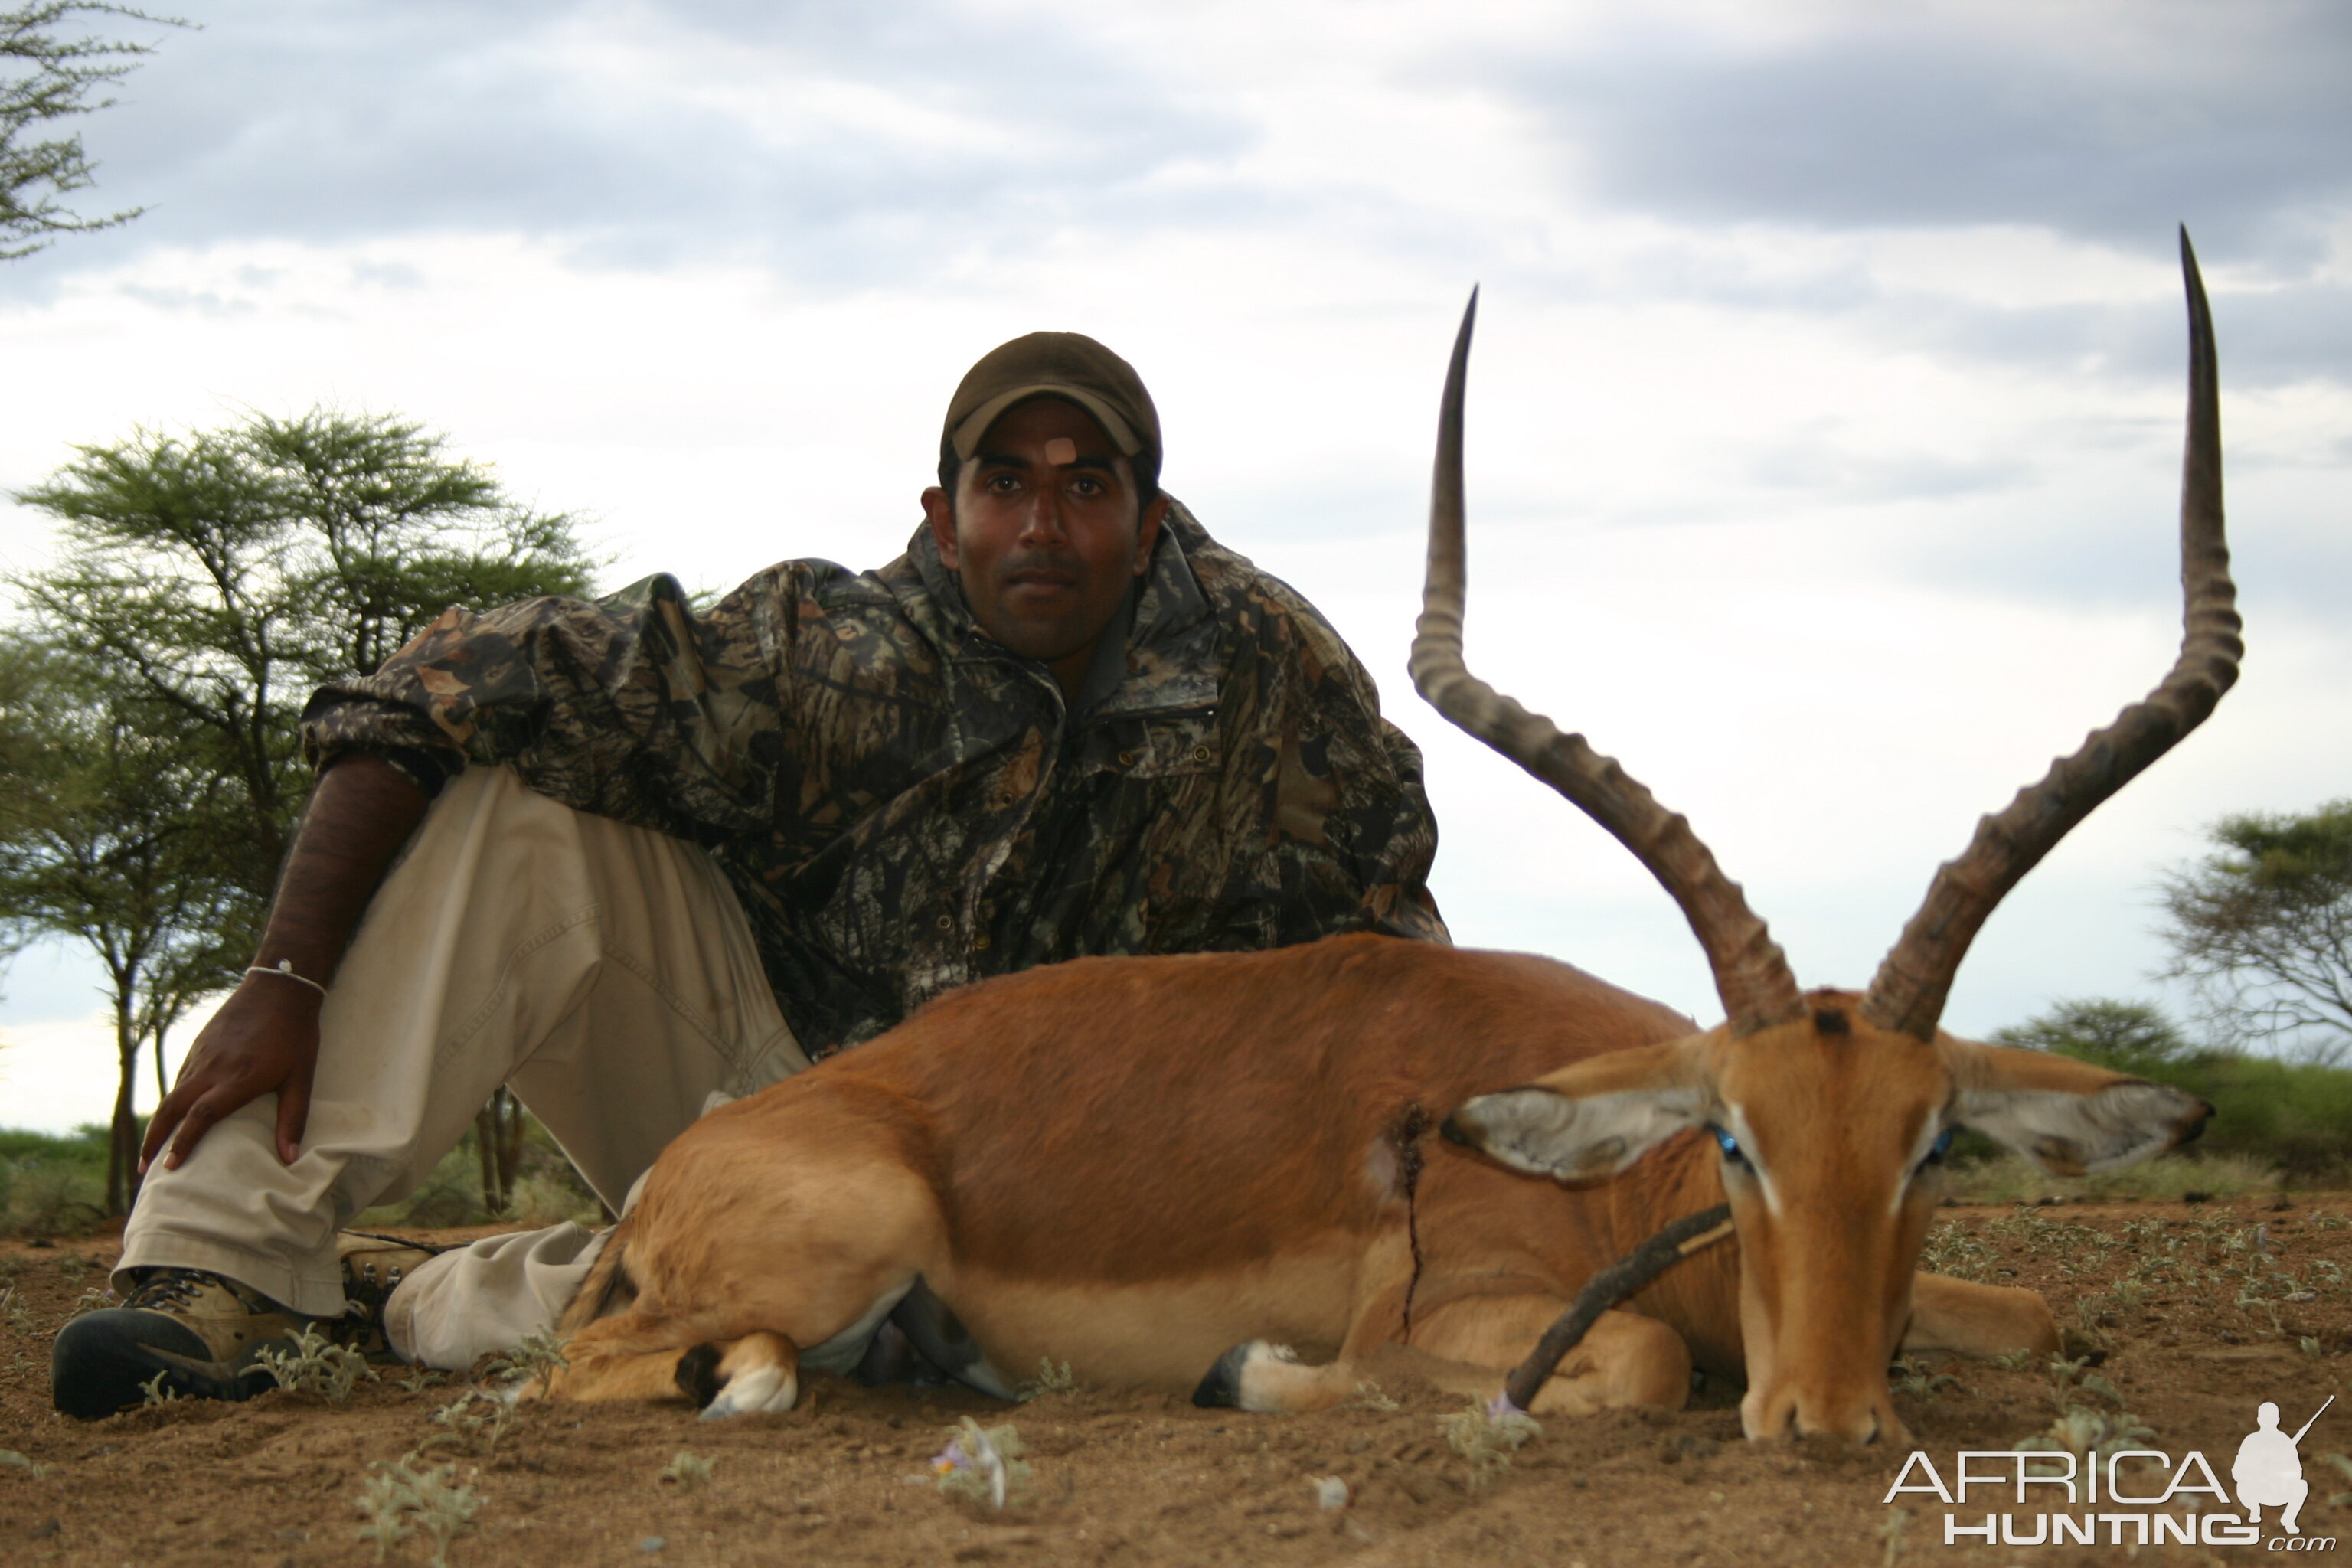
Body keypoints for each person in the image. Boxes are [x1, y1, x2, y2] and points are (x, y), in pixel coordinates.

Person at [53, 330, 1447, 1418]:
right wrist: (281, 977)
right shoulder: (833, 650)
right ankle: (217, 1262)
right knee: (527, 818)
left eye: (1089, 487)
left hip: (1123, 1184)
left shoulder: (1278, 674)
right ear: (944, 510)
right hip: (800, 1107)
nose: (1042, 525)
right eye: (1005, 483)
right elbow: (448, 676)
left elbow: (1394, 967)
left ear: (1148, 526)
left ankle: (438, 1299)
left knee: (849, 1326)